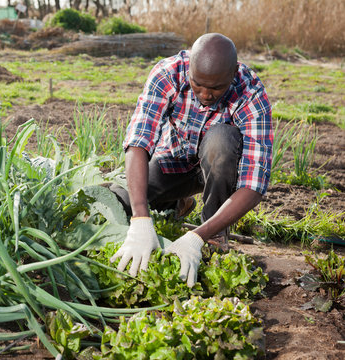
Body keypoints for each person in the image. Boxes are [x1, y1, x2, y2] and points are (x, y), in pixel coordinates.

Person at [108, 33, 273, 287]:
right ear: (190, 69)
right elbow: (139, 142)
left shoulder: (250, 92)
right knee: (119, 199)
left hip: (218, 168)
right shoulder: (168, 73)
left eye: (216, 88)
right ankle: (177, 204)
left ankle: (213, 234)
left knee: (221, 140)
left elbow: (254, 183)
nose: (206, 94)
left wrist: (196, 237)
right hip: (172, 163)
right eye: (198, 84)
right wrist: (140, 218)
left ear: (233, 75)